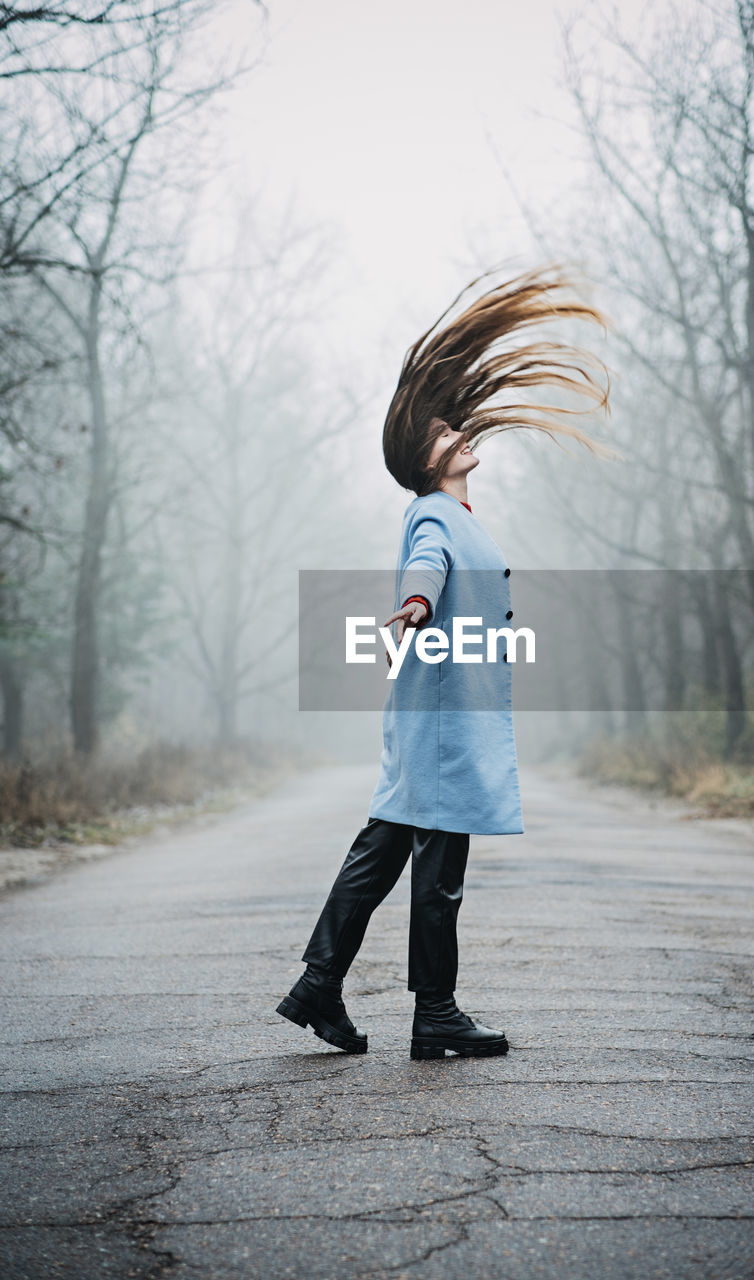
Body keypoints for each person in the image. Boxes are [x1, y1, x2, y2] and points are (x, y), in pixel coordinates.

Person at [277, 265, 618, 1060]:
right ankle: (433, 1015)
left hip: (434, 714)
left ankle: (319, 986)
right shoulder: (434, 515)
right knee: (435, 870)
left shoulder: (456, 512)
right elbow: (424, 565)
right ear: (425, 462)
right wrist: (414, 606)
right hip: (440, 720)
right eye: (441, 435)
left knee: (382, 851)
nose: (457, 435)